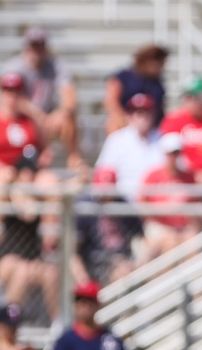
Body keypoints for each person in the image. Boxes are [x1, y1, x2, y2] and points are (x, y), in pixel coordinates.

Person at [0, 72, 60, 320]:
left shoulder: (29, 122)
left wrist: (31, 110)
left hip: (28, 176)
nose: (13, 96)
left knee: (52, 182)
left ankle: (49, 236)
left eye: (17, 91)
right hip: (6, 177)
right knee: (4, 178)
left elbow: (46, 151)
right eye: (8, 91)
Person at [3, 27, 81, 168]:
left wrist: (61, 112)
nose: (36, 51)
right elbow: (12, 98)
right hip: (23, 116)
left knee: (67, 119)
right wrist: (38, 115)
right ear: (26, 47)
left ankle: (73, 159)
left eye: (40, 46)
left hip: (47, 116)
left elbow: (69, 96)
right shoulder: (14, 67)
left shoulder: (56, 65)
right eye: (34, 46)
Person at [48, 282, 137, 350]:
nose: (84, 305)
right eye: (79, 300)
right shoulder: (66, 339)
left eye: (89, 301)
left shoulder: (109, 337)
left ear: (97, 304)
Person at [74, 167, 143, 285]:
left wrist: (141, 261)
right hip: (97, 261)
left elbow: (140, 237)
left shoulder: (123, 204)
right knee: (122, 271)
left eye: (108, 190)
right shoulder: (86, 208)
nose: (105, 195)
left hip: (124, 259)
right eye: (102, 190)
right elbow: (74, 251)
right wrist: (82, 279)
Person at [138, 132, 200, 260]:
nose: (173, 157)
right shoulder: (153, 176)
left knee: (193, 245)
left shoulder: (189, 177)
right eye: (170, 153)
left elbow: (197, 205)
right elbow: (141, 205)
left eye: (176, 153)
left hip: (183, 227)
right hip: (159, 226)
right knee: (169, 243)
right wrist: (163, 210)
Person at [94, 93, 164, 203]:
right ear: (128, 115)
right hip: (124, 203)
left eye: (146, 111)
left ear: (153, 114)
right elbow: (104, 173)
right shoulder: (116, 140)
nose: (142, 117)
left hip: (157, 203)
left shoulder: (163, 139)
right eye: (137, 112)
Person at [104, 44, 169, 134]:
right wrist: (122, 120)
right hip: (124, 124)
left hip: (149, 129)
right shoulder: (124, 77)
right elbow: (111, 100)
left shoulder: (157, 84)